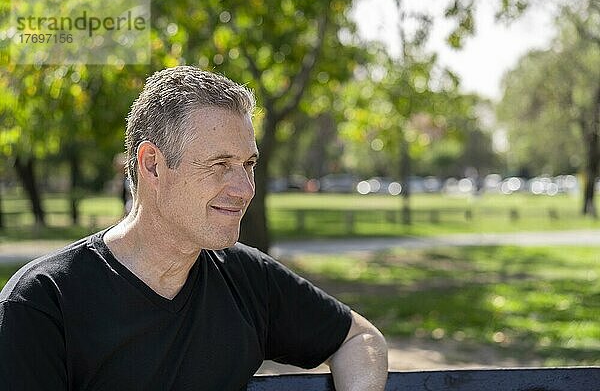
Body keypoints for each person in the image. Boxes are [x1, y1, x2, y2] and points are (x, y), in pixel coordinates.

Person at [0, 66, 388, 390]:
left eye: (248, 165)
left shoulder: (246, 279)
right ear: (152, 165)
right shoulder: (42, 303)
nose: (244, 190)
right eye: (220, 164)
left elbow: (358, 337)